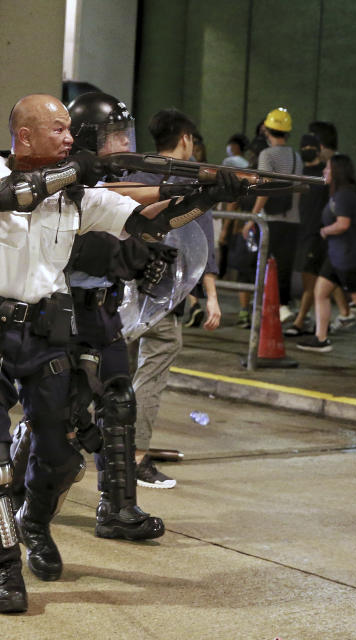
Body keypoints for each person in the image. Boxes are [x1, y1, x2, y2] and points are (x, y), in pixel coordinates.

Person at [0, 93, 244, 613]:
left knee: (62, 457)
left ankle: (34, 522)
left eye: (70, 130)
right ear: (25, 137)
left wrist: (204, 195)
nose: (69, 138)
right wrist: (74, 172)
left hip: (43, 335)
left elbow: (147, 223)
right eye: (58, 130)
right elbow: (14, 196)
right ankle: (4, 569)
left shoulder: (79, 197)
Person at [14, 90, 171, 542]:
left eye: (125, 133)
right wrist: (132, 256)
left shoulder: (113, 187)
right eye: (113, 135)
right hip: (63, 315)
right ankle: (12, 494)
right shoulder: (60, 188)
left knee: (118, 401)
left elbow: (143, 226)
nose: (123, 142)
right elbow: (80, 252)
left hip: (104, 312)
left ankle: (118, 507)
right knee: (57, 411)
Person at [129, 108, 223, 489]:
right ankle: (134, 456)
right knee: (159, 355)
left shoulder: (133, 176)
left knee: (107, 362)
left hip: (120, 285)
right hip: (160, 291)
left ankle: (87, 436)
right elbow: (204, 247)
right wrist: (211, 297)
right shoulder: (191, 181)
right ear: (185, 139)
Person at [296, 154, 356, 354]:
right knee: (321, 292)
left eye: (328, 169)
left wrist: (325, 231)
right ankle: (321, 338)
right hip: (336, 254)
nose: (324, 171)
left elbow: (343, 224)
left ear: (338, 171)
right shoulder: (339, 192)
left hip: (349, 256)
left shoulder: (344, 195)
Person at [285, 133, 353, 337]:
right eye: (303, 146)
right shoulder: (300, 172)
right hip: (302, 231)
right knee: (321, 284)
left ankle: (300, 322)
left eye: (310, 147)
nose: (306, 150)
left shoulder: (324, 177)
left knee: (312, 281)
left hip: (317, 234)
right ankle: (329, 320)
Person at [243, 107, 303, 322]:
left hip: (271, 221)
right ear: (287, 133)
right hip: (292, 219)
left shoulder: (267, 155)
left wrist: (252, 217)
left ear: (267, 131)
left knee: (261, 264)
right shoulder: (296, 156)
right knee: (284, 266)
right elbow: (297, 189)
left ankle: (263, 308)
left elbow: (265, 187)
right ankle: (283, 305)